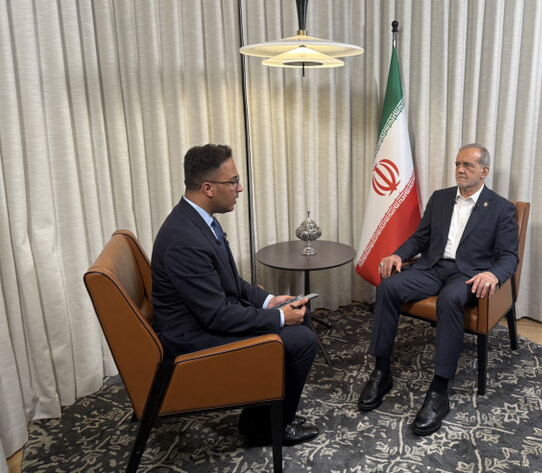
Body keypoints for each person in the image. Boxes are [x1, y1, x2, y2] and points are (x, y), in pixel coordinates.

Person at [151, 144, 319, 446]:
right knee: (302, 340)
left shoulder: (199, 220)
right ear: (208, 188)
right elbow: (216, 316)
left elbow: (230, 281)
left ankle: (261, 419)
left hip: (207, 320)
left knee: (300, 318)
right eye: (233, 182)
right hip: (194, 340)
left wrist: (270, 302)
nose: (240, 189)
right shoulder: (184, 240)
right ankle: (270, 428)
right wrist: (278, 318)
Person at [358, 143, 519, 436]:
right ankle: (381, 371)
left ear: (484, 171)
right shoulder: (441, 198)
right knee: (388, 287)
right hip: (432, 268)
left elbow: (509, 256)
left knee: (449, 299)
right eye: (458, 164)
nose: (460, 169)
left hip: (468, 275)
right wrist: (398, 254)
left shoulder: (501, 208)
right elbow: (420, 239)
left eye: (468, 165)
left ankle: (439, 390)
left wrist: (493, 275)